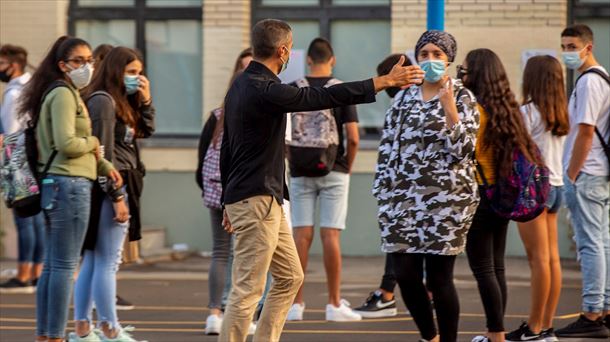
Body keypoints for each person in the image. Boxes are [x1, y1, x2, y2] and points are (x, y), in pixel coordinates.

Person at [219, 19, 424, 342]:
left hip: (261, 199)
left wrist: (226, 202)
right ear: (284, 50)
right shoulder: (264, 89)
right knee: (247, 290)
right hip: (256, 199)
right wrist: (382, 81)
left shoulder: (240, 87)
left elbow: (227, 148)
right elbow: (319, 98)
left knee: (289, 277)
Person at [372, 30, 479, 342]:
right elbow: (387, 145)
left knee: (439, 277)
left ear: (448, 60)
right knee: (405, 274)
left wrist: (449, 109)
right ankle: (428, 336)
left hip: (447, 201)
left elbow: (464, 151)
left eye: (437, 55)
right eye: (425, 54)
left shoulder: (462, 96)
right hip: (401, 201)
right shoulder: (404, 95)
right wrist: (382, 191)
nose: (430, 60)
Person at [18, 36, 122, 342]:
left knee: (52, 266)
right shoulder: (64, 94)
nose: (87, 67)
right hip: (70, 185)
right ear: (63, 65)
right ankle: (54, 335)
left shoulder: (56, 92)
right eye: (79, 61)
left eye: (90, 60)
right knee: (63, 266)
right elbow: (66, 143)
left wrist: (105, 167)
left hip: (57, 183)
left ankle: (47, 334)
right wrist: (93, 142)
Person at [70, 46, 154, 342]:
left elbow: (144, 132)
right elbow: (101, 151)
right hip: (112, 184)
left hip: (116, 182)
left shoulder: (118, 101)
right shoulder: (104, 102)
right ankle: (110, 328)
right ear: (116, 71)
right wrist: (117, 195)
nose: (137, 78)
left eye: (140, 72)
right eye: (131, 72)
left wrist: (145, 102)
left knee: (95, 259)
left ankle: (83, 328)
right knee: (108, 260)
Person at [460, 48, 544, 342]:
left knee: (483, 268)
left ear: (477, 74)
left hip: (481, 195)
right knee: (496, 267)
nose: (461, 73)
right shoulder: (508, 109)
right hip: (503, 196)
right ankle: (495, 331)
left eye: (465, 69)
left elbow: (463, 151)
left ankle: (495, 334)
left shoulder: (475, 111)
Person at [286, 37, 362, 322]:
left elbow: (283, 133)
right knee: (330, 235)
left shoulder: (294, 88)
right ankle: (333, 304)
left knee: (299, 237)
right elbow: (353, 138)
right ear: (332, 60)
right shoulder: (340, 89)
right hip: (335, 168)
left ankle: (295, 304)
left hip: (299, 169)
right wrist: (347, 167)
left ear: (308, 60)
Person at [502, 55, 570, 342]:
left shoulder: (527, 112)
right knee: (552, 260)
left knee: (538, 260)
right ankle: (546, 326)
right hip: (556, 187)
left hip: (533, 191)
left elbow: (513, 151)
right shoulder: (562, 114)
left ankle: (533, 327)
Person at [555, 24, 610, 339]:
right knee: (601, 242)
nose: (567, 52)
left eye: (572, 46)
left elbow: (586, 130)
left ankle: (591, 314)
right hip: (598, 172)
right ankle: (603, 307)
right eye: (564, 46)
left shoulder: (590, 82)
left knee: (590, 245)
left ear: (588, 47)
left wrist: (572, 173)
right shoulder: (602, 77)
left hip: (586, 173)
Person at [196, 47, 253, 335]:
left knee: (221, 252)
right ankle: (239, 315)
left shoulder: (217, 115)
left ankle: (214, 314)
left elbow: (201, 159)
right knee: (246, 255)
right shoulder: (257, 115)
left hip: (216, 191)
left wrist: (209, 191)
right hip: (245, 193)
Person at [353, 52, 412, 319]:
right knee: (406, 243)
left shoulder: (406, 101)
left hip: (403, 187)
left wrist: (385, 186)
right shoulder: (413, 100)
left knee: (397, 241)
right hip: (404, 187)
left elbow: (396, 150)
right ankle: (390, 292)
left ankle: (387, 294)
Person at [0, 44, 46, 294]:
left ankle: (23, 274)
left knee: (23, 219)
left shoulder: (14, 93)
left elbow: (9, 133)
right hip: (33, 156)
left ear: (12, 64)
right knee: (37, 220)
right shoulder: (33, 86)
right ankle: (37, 271)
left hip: (16, 157)